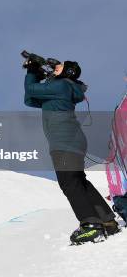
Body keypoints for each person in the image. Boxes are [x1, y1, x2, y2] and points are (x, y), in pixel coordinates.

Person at [24, 59, 120, 244]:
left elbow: (31, 90)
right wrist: (37, 74)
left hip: (64, 141)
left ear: (67, 72)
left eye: (57, 67)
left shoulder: (61, 86)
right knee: (77, 180)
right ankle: (107, 220)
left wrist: (32, 71)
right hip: (70, 140)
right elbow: (29, 99)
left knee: (69, 182)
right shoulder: (60, 89)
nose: (53, 69)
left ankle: (90, 225)